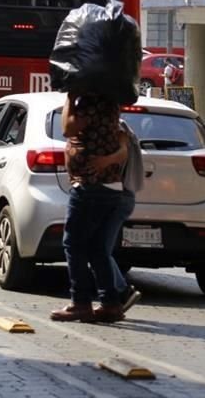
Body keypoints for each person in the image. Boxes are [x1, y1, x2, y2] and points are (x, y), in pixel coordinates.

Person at [50, 92, 138, 323]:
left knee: (73, 244)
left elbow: (68, 128)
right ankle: (111, 304)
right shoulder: (110, 103)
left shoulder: (91, 101)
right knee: (98, 248)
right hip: (108, 188)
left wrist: (70, 98)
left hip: (90, 187)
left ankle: (80, 303)